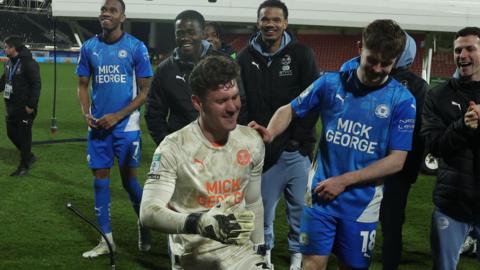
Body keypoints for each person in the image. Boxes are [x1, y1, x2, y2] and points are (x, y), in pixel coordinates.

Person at [250, 19, 416, 270]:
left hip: (362, 205)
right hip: (319, 197)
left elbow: (397, 160)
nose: (378, 69)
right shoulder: (331, 83)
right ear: (360, 46)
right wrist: (271, 133)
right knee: (312, 266)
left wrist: (344, 181)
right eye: (372, 60)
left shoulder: (402, 101)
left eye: (387, 64)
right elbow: (289, 110)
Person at [140, 55, 267, 269]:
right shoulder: (174, 147)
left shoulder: (251, 141)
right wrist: (199, 222)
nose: (232, 107)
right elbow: (148, 213)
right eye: (221, 101)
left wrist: (260, 245)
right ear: (197, 102)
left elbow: (253, 200)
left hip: (241, 253)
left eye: (235, 97)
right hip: (195, 256)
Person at [237, 1, 319, 269]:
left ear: (285, 23)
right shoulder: (244, 57)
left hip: (295, 149)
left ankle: (297, 254)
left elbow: (312, 101)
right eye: (264, 19)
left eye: (276, 19)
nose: (270, 24)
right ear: (258, 22)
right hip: (262, 150)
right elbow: (242, 102)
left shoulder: (301, 54)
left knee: (299, 209)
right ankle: (265, 253)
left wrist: (297, 141)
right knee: (262, 209)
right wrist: (252, 138)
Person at [340, 32, 428, 270]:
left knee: (384, 225)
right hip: (374, 168)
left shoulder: (415, 88)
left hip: (387, 169)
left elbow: (419, 133)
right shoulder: (356, 73)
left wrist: (407, 170)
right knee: (382, 224)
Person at [76, 0, 153, 258]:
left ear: (122, 17)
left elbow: (145, 92)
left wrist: (117, 116)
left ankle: (144, 224)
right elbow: (82, 85)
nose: (106, 14)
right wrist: (86, 114)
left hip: (127, 128)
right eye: (104, 10)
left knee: (130, 183)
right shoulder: (89, 47)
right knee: (100, 183)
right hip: (98, 129)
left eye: (112, 11)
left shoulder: (136, 47)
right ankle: (106, 240)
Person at [421, 26, 480, 269]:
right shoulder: (437, 96)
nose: (462, 55)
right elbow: (434, 146)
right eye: (458, 50)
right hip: (452, 204)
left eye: (470, 49)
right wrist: (464, 126)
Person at [145, 10, 247, 146]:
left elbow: (240, 103)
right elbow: (154, 112)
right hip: (182, 148)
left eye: (191, 32)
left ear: (202, 33)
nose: (185, 38)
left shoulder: (224, 63)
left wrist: (230, 140)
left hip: (220, 146)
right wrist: (168, 144)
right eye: (180, 33)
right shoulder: (165, 69)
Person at [0, 35, 41, 177]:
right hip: (11, 107)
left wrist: (31, 105)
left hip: (25, 108)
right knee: (11, 133)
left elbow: (36, 85)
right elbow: (4, 80)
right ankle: (28, 155)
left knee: (24, 138)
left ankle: (24, 166)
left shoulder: (29, 63)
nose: (4, 49)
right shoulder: (9, 62)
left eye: (6, 46)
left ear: (13, 48)